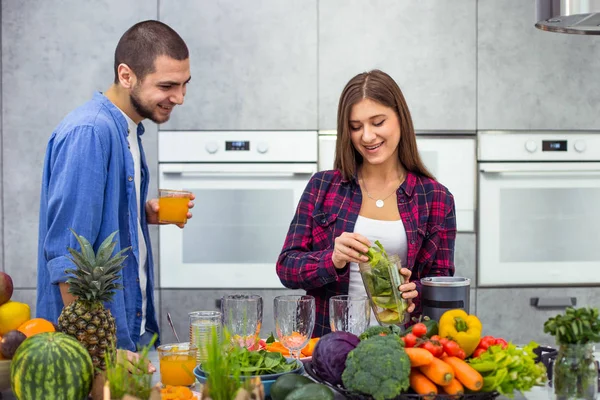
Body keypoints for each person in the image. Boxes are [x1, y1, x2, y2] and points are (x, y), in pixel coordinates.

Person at [36, 20, 194, 356]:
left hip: (124, 339)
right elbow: (68, 255)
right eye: (167, 86)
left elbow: (95, 219)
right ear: (126, 76)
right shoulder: (91, 132)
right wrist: (100, 355)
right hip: (92, 356)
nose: (179, 98)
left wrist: (139, 212)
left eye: (184, 85)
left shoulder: (127, 130)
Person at [276, 69, 456, 337]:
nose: (367, 136)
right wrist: (333, 259)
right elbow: (287, 268)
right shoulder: (322, 187)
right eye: (356, 127)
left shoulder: (436, 198)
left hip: (403, 349)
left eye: (378, 122)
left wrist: (416, 289)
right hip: (327, 345)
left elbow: (442, 286)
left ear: (400, 119)